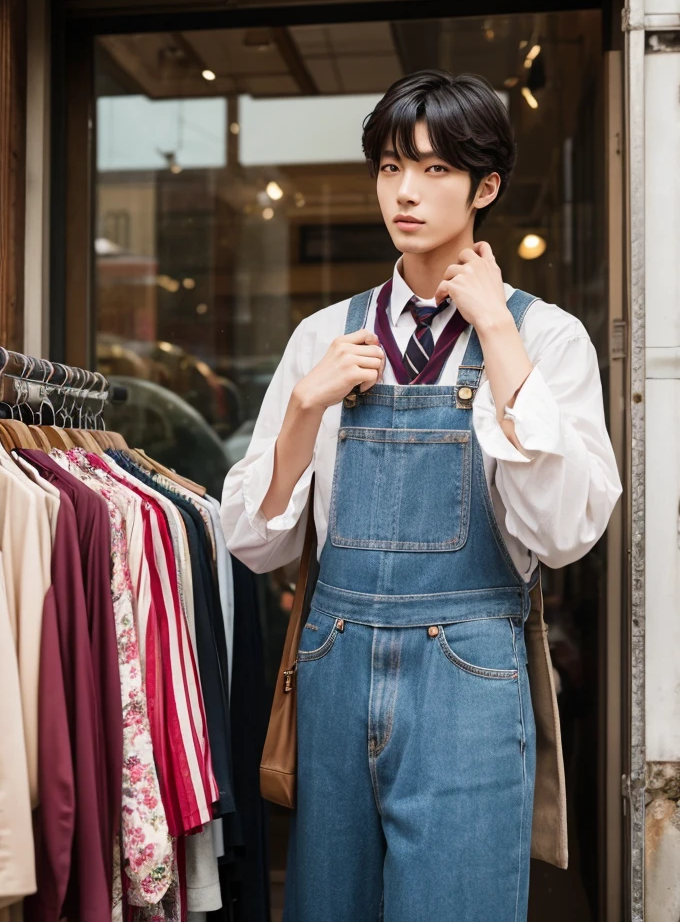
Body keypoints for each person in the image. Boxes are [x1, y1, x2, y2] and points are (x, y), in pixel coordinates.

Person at [220, 70, 622, 922]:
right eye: (391, 166)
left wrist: (498, 332)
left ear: (486, 187)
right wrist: (301, 410)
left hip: (470, 675)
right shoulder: (322, 337)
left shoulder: (547, 334)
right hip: (332, 664)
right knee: (329, 905)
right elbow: (253, 543)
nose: (406, 191)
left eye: (437, 170)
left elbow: (566, 531)